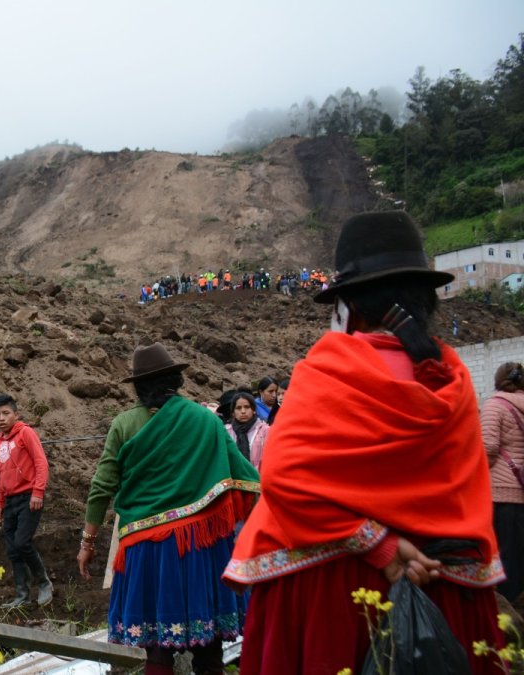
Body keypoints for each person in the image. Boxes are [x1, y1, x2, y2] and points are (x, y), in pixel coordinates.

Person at [224, 211, 505, 674]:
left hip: (336, 587)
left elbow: (285, 479)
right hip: (445, 586)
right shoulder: (450, 378)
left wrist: (381, 546)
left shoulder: (329, 371)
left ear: (347, 305)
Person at [77, 344, 259, 675]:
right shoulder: (206, 420)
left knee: (157, 647)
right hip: (201, 546)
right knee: (209, 645)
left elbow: (102, 486)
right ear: (175, 380)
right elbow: (245, 478)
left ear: (137, 387)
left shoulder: (124, 424)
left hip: (147, 549)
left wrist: (87, 542)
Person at [0, 393, 52, 609]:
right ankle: (22, 595)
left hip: (28, 497)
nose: (1, 418)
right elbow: (0, 475)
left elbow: (41, 463)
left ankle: (44, 583)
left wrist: (38, 491)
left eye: (6, 413)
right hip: (9, 501)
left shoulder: (26, 433)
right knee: (12, 549)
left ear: (16, 414)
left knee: (22, 543)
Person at [483, 361, 524, 602]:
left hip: (502, 491)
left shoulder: (494, 405)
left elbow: (488, 447)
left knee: (505, 554)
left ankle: (508, 609)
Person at [224, 392, 269, 471]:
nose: (243, 411)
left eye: (247, 407)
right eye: (238, 408)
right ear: (233, 413)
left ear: (253, 410)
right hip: (233, 477)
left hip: (258, 476)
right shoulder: (226, 432)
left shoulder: (265, 431)